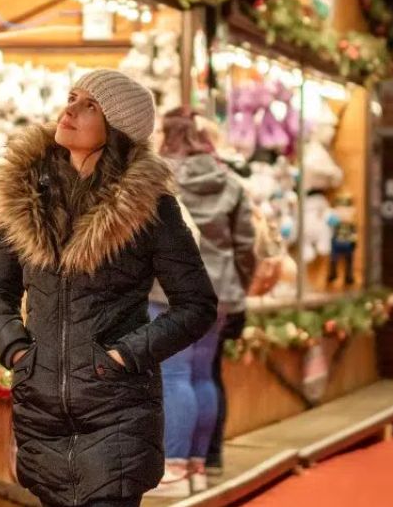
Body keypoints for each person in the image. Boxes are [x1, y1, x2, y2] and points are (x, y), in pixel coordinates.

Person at [0, 70, 218, 507]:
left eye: (89, 105)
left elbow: (196, 305)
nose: (70, 109)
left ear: (117, 128)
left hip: (118, 409)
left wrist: (125, 355)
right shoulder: (25, 197)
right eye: (72, 97)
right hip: (42, 409)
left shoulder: (148, 207)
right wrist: (16, 349)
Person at [149, 108, 256, 496]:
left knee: (174, 377)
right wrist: (235, 287)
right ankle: (197, 465)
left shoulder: (156, 177)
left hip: (168, 292)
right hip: (219, 293)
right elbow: (246, 246)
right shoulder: (229, 180)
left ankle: (174, 470)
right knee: (201, 375)